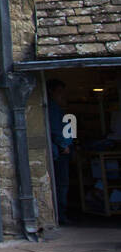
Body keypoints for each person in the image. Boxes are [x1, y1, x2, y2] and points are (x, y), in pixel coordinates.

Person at [47, 80, 73, 226]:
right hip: (60, 152)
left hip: (61, 149)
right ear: (52, 92)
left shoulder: (57, 107)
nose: (62, 95)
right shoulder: (53, 108)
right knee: (61, 184)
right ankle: (61, 215)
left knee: (62, 183)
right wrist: (63, 145)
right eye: (60, 92)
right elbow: (56, 128)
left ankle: (61, 214)